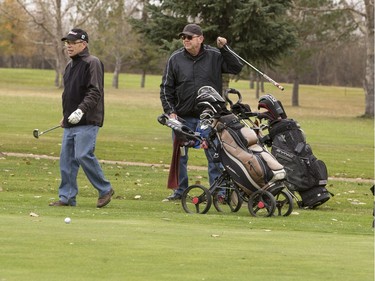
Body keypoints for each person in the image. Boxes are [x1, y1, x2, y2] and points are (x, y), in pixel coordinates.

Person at [160, 23, 243, 201]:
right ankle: (180, 191)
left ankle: (219, 193)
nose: (185, 40)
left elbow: (236, 67)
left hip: (210, 116)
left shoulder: (215, 55)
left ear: (200, 39)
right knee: (180, 157)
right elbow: (166, 88)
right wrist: (170, 112)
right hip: (182, 117)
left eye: (189, 37)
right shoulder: (175, 59)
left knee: (214, 155)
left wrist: (225, 48)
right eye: (183, 37)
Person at [49, 28, 114, 208]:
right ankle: (67, 197)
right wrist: (66, 117)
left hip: (88, 119)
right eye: (67, 43)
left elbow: (95, 91)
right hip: (71, 121)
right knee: (66, 160)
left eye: (72, 43)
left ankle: (105, 189)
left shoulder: (92, 63)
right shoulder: (70, 66)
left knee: (83, 154)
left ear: (83, 44)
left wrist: (80, 111)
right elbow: (68, 94)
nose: (68, 46)